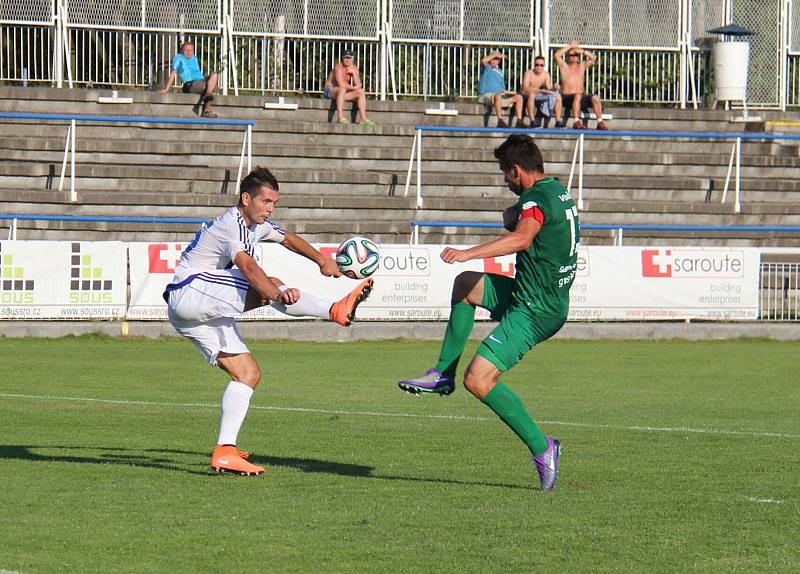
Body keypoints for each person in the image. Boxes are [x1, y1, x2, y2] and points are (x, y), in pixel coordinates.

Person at [398, 134, 580, 491]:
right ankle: (442, 373)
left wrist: (469, 252)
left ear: (516, 170)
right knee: (466, 285)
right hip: (532, 292)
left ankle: (543, 448)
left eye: (504, 173)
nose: (504, 180)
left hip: (535, 309)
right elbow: (526, 222)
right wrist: (514, 215)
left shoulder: (535, 200)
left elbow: (523, 237)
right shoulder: (555, 190)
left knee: (478, 380)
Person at [163, 166, 374, 476]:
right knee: (268, 283)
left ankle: (225, 450)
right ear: (246, 198)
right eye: (266, 202)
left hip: (190, 315)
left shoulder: (256, 224)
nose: (270, 208)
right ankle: (335, 310)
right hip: (191, 291)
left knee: (248, 373)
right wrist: (276, 293)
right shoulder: (230, 225)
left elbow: (287, 238)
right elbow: (247, 267)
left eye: (275, 202)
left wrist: (322, 260)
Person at [554, 41, 608, 130]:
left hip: (580, 97)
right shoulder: (564, 67)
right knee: (577, 96)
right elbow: (557, 56)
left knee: (595, 97)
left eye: (576, 55)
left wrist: (582, 51)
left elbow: (594, 58)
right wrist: (570, 46)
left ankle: (600, 122)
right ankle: (576, 121)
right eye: (571, 55)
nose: (574, 57)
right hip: (567, 98)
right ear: (567, 57)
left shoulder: (581, 66)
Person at [162, 40, 219, 118]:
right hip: (190, 84)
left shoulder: (194, 58)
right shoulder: (179, 57)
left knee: (215, 75)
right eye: (186, 50)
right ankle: (206, 109)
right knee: (212, 88)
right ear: (182, 51)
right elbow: (173, 73)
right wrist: (166, 89)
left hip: (200, 81)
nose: (189, 52)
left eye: (191, 50)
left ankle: (207, 99)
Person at [323, 50, 375, 125]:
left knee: (361, 92)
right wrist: (354, 88)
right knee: (342, 89)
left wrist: (354, 74)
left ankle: (363, 118)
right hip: (330, 91)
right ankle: (340, 117)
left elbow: (358, 84)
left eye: (349, 58)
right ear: (342, 58)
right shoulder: (338, 67)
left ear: (353, 59)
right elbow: (341, 85)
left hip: (342, 93)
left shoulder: (354, 68)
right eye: (345, 58)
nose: (347, 60)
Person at [477, 51, 523, 128]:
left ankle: (519, 121)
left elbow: (502, 89)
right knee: (497, 96)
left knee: (519, 97)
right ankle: (500, 121)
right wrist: (495, 55)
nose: (495, 61)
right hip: (486, 95)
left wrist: (509, 93)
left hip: (498, 96)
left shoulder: (500, 72)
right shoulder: (487, 68)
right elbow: (483, 61)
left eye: (497, 59)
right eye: (493, 58)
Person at [521, 55, 565, 128]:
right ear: (534, 65)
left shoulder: (545, 74)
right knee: (532, 95)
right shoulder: (528, 73)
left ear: (544, 66)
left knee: (558, 96)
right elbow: (525, 89)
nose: (539, 67)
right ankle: (532, 121)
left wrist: (554, 87)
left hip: (537, 95)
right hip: (527, 96)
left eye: (541, 65)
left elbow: (549, 88)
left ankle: (558, 121)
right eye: (537, 65)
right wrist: (540, 91)